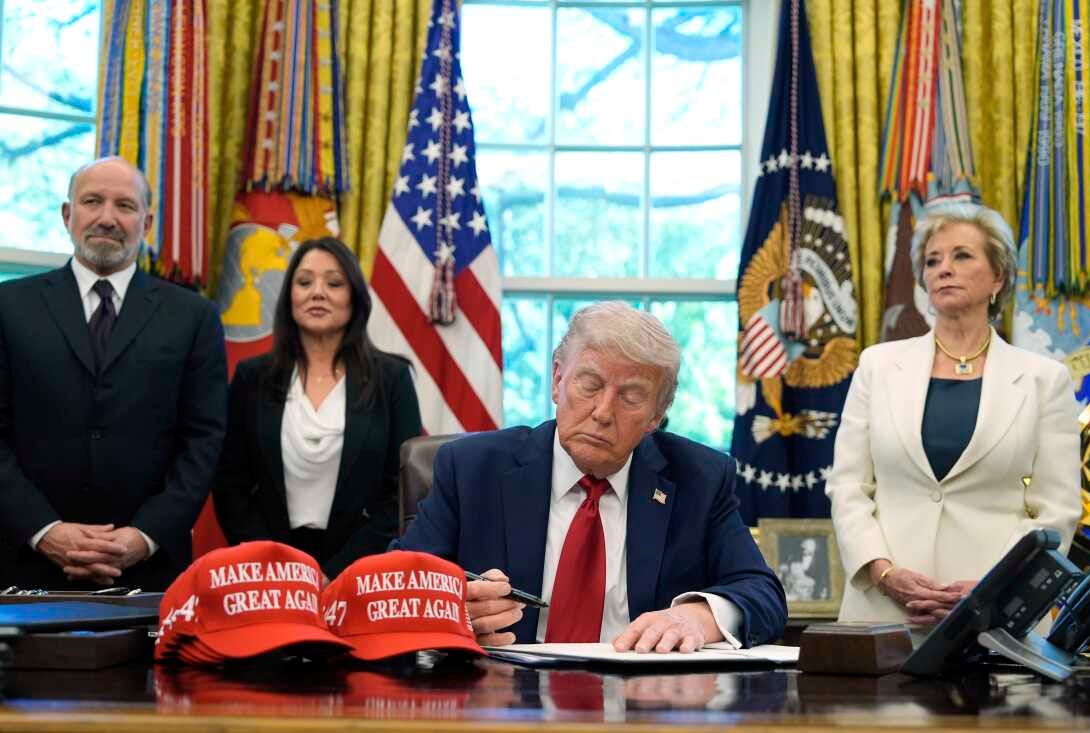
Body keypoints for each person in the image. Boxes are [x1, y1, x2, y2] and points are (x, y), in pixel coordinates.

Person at [395, 301, 787, 652]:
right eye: (590, 384)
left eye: (630, 396)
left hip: (643, 705)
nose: (602, 412)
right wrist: (449, 611)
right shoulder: (471, 469)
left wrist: (696, 618)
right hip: (503, 700)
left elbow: (762, 593)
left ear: (656, 416)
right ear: (557, 380)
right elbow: (394, 585)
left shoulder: (698, 478)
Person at [826, 201, 1079, 634]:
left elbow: (1056, 511)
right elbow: (847, 487)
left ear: (998, 276)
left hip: (995, 615)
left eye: (962, 255)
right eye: (932, 260)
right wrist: (885, 575)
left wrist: (994, 588)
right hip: (883, 612)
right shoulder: (878, 366)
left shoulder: (1044, 379)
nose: (944, 268)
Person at [0, 156, 228, 590]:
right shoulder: (8, 307)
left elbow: (204, 440)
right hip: (22, 567)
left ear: (147, 221)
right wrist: (45, 531)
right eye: (92, 201)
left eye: (124, 206)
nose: (107, 218)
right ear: (68, 215)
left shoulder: (193, 317)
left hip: (148, 571)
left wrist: (144, 537)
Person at [213, 237, 421, 581]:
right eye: (305, 281)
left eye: (334, 283)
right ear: (289, 298)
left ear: (354, 296)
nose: (318, 292)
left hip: (362, 567)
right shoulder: (253, 378)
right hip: (269, 569)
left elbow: (400, 493)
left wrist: (337, 572)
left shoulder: (392, 379)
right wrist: (277, 566)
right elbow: (230, 486)